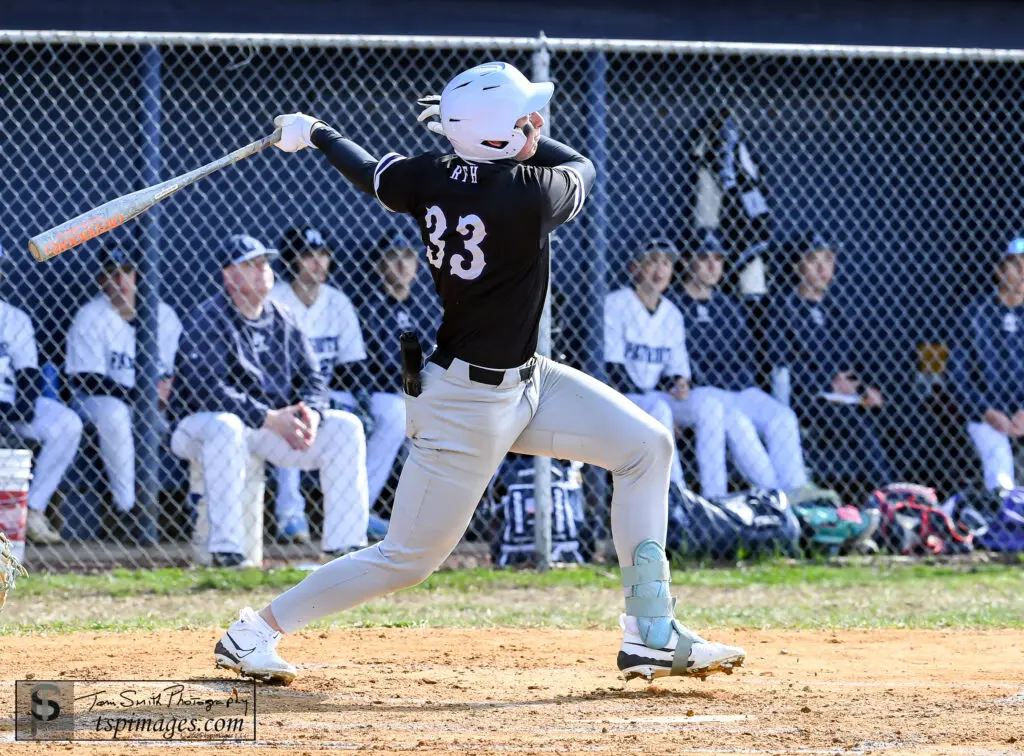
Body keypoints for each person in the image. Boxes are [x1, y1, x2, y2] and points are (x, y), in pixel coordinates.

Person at [213, 62, 744, 686]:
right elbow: (584, 166)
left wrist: (317, 132)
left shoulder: (428, 176)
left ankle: (651, 631)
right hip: (463, 404)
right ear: (497, 138)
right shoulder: (526, 192)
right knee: (407, 559)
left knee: (645, 445)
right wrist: (507, 138)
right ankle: (253, 633)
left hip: (529, 381)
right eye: (521, 120)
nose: (533, 126)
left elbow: (370, 172)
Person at [169, 234, 370, 566]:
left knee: (345, 427)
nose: (263, 268)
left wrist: (311, 415)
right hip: (200, 426)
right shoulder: (206, 317)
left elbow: (313, 379)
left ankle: (345, 548)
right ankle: (227, 551)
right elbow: (207, 390)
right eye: (251, 263)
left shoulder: (284, 317)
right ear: (229, 275)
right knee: (227, 426)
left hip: (265, 427)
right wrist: (270, 418)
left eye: (264, 262)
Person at [668, 231, 809, 495]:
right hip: (703, 392)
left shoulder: (728, 306)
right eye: (704, 258)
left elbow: (745, 356)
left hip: (738, 389)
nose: (712, 266)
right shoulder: (673, 304)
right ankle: (775, 494)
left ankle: (796, 491)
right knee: (737, 421)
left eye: (718, 259)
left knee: (783, 417)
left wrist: (738, 382)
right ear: (687, 262)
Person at [267, 226, 369, 545]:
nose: (317, 263)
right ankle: (291, 514)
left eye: (322, 254)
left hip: (330, 392)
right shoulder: (275, 300)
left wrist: (359, 401)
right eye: (308, 256)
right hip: (286, 395)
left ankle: (363, 513)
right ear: (292, 262)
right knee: (293, 418)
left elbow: (352, 366)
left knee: (389, 415)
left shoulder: (337, 302)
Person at [65, 244, 182, 520]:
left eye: (128, 272)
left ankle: (186, 511)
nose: (121, 281)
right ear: (101, 281)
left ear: (140, 275)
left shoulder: (164, 315)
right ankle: (127, 509)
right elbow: (87, 379)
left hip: (154, 402)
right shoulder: (91, 315)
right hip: (97, 402)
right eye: (112, 274)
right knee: (115, 415)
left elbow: (182, 367)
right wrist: (141, 395)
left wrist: (170, 389)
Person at [604, 236, 726, 497]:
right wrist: (664, 407)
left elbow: (675, 370)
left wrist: (679, 385)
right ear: (634, 268)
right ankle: (677, 496)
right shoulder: (616, 303)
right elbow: (613, 370)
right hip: (622, 396)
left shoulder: (672, 313)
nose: (660, 270)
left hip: (656, 397)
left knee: (709, 406)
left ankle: (717, 498)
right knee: (659, 409)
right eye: (652, 262)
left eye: (666, 263)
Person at [773, 232, 891, 497]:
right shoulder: (783, 307)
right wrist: (827, 383)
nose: (822, 268)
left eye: (828, 260)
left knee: (894, 409)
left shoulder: (836, 309)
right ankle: (887, 499)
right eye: (814, 260)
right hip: (806, 397)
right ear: (798, 266)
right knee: (855, 422)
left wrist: (864, 389)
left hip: (842, 396)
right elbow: (779, 367)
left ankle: (903, 495)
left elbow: (852, 363)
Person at [0, 243, 83, 544]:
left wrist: (16, 412)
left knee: (67, 423)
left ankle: (32, 509)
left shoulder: (14, 319)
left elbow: (28, 376)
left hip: (9, 407)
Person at [354, 231, 441, 508]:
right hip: (381, 394)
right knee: (397, 415)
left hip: (420, 392)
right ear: (380, 266)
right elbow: (377, 365)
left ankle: (435, 510)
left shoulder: (428, 307)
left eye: (408, 257)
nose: (402, 265)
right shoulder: (368, 309)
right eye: (393, 257)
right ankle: (359, 509)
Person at [948, 237, 1024, 490]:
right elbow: (956, 379)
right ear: (1000, 270)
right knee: (1000, 470)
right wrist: (987, 411)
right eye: (1017, 265)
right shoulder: (976, 314)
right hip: (986, 417)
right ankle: (1006, 514)